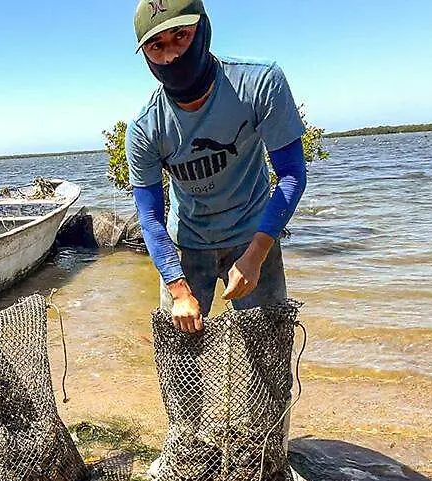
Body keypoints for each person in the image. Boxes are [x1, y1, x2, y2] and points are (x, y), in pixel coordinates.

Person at [126, 0, 308, 332]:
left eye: (181, 36)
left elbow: (292, 175)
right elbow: (149, 218)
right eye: (157, 46)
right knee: (182, 351)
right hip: (188, 244)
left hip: (253, 233)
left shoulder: (259, 83)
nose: (171, 56)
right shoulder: (146, 128)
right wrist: (178, 289)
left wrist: (256, 255)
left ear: (203, 29)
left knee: (266, 345)